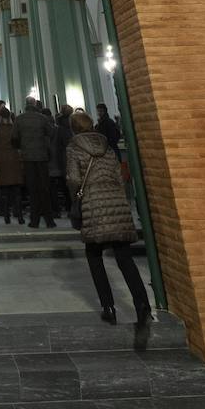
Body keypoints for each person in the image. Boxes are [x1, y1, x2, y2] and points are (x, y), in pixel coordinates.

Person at [65, 110, 152, 346]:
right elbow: (117, 173)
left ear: (73, 128)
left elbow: (73, 179)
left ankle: (108, 307)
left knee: (94, 256)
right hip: (115, 202)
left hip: (93, 204)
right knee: (124, 258)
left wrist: (76, 199)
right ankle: (142, 306)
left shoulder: (74, 147)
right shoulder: (107, 146)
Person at [12, 96, 56, 228]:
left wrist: (21, 147)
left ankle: (34, 220)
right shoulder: (42, 118)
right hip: (41, 157)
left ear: (25, 105)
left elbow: (14, 138)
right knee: (44, 188)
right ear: (35, 105)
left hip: (28, 157)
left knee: (32, 189)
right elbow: (51, 133)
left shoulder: (20, 119)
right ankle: (49, 220)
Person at [0, 107, 24, 224]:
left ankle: (6, 216)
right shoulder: (15, 128)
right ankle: (19, 216)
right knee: (17, 191)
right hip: (14, 160)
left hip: (2, 161)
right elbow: (20, 144)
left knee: (4, 192)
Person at [49, 104, 73, 218]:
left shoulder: (57, 128)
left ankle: (56, 210)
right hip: (66, 159)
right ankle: (71, 208)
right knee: (67, 187)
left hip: (56, 160)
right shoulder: (71, 127)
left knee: (56, 187)